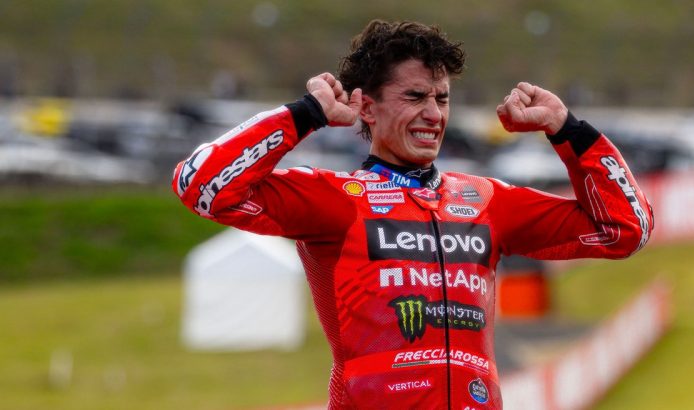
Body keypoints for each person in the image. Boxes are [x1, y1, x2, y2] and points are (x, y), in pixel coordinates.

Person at [173, 20, 653, 410]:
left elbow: (626, 230)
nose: (434, 114)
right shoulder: (333, 199)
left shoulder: (487, 201)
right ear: (366, 107)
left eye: (441, 98)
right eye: (415, 97)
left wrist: (568, 130)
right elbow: (201, 185)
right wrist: (305, 114)